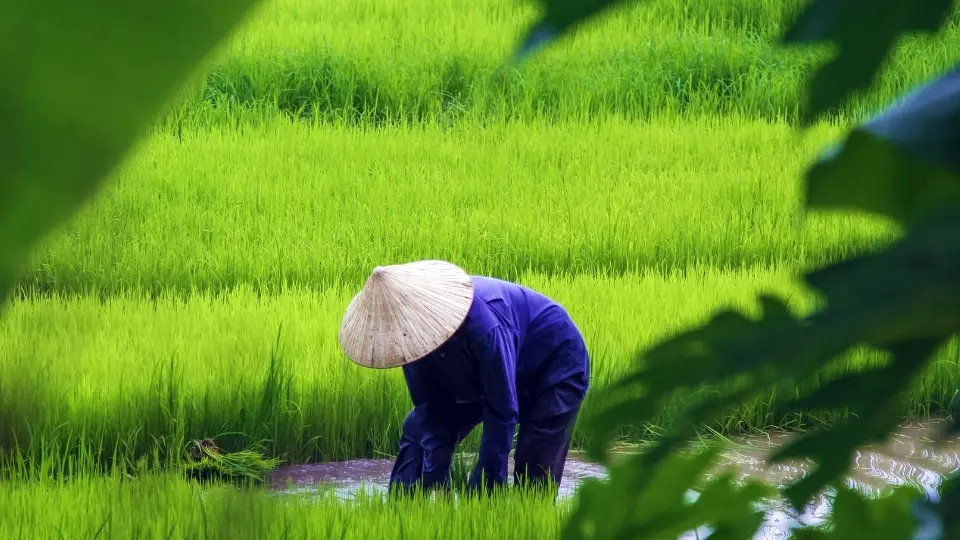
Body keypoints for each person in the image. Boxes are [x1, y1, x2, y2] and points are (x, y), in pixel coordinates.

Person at [338, 259, 591, 498]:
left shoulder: (482, 325)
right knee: (416, 432)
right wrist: (436, 482)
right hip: (479, 376)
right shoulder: (409, 340)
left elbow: (501, 411)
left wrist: (483, 493)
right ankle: (403, 510)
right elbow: (430, 411)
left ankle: (528, 520)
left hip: (554, 365)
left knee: (534, 463)